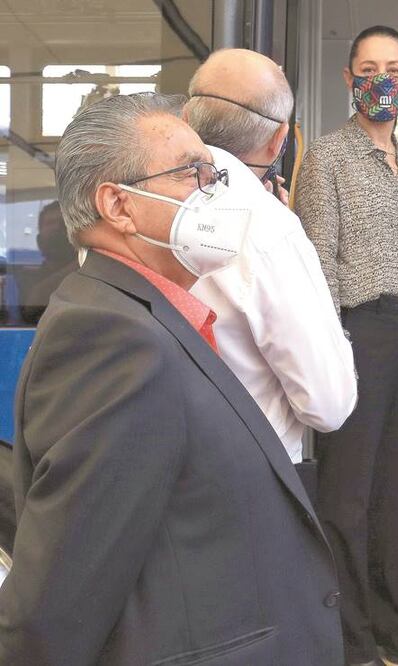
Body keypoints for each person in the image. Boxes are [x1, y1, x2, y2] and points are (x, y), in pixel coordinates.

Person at [0, 93, 343, 664]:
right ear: (118, 205)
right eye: (193, 174)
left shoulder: (149, 317)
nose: (216, 192)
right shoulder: (112, 340)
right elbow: (59, 601)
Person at [294, 25, 398, 666]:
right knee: (346, 496)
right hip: (355, 333)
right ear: (349, 79)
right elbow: (318, 263)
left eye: (394, 66)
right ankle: (349, 636)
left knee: (391, 494)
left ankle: (389, 625)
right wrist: (332, 349)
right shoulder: (327, 157)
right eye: (369, 66)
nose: (383, 77)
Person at [183, 48, 357, 470]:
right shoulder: (269, 229)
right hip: (246, 471)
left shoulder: (137, 201)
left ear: (186, 117)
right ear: (279, 139)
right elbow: (328, 404)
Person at [18, 201, 77, 324]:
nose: (56, 228)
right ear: (39, 241)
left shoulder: (92, 274)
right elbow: (29, 312)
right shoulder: (23, 278)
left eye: (63, 224)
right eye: (50, 223)